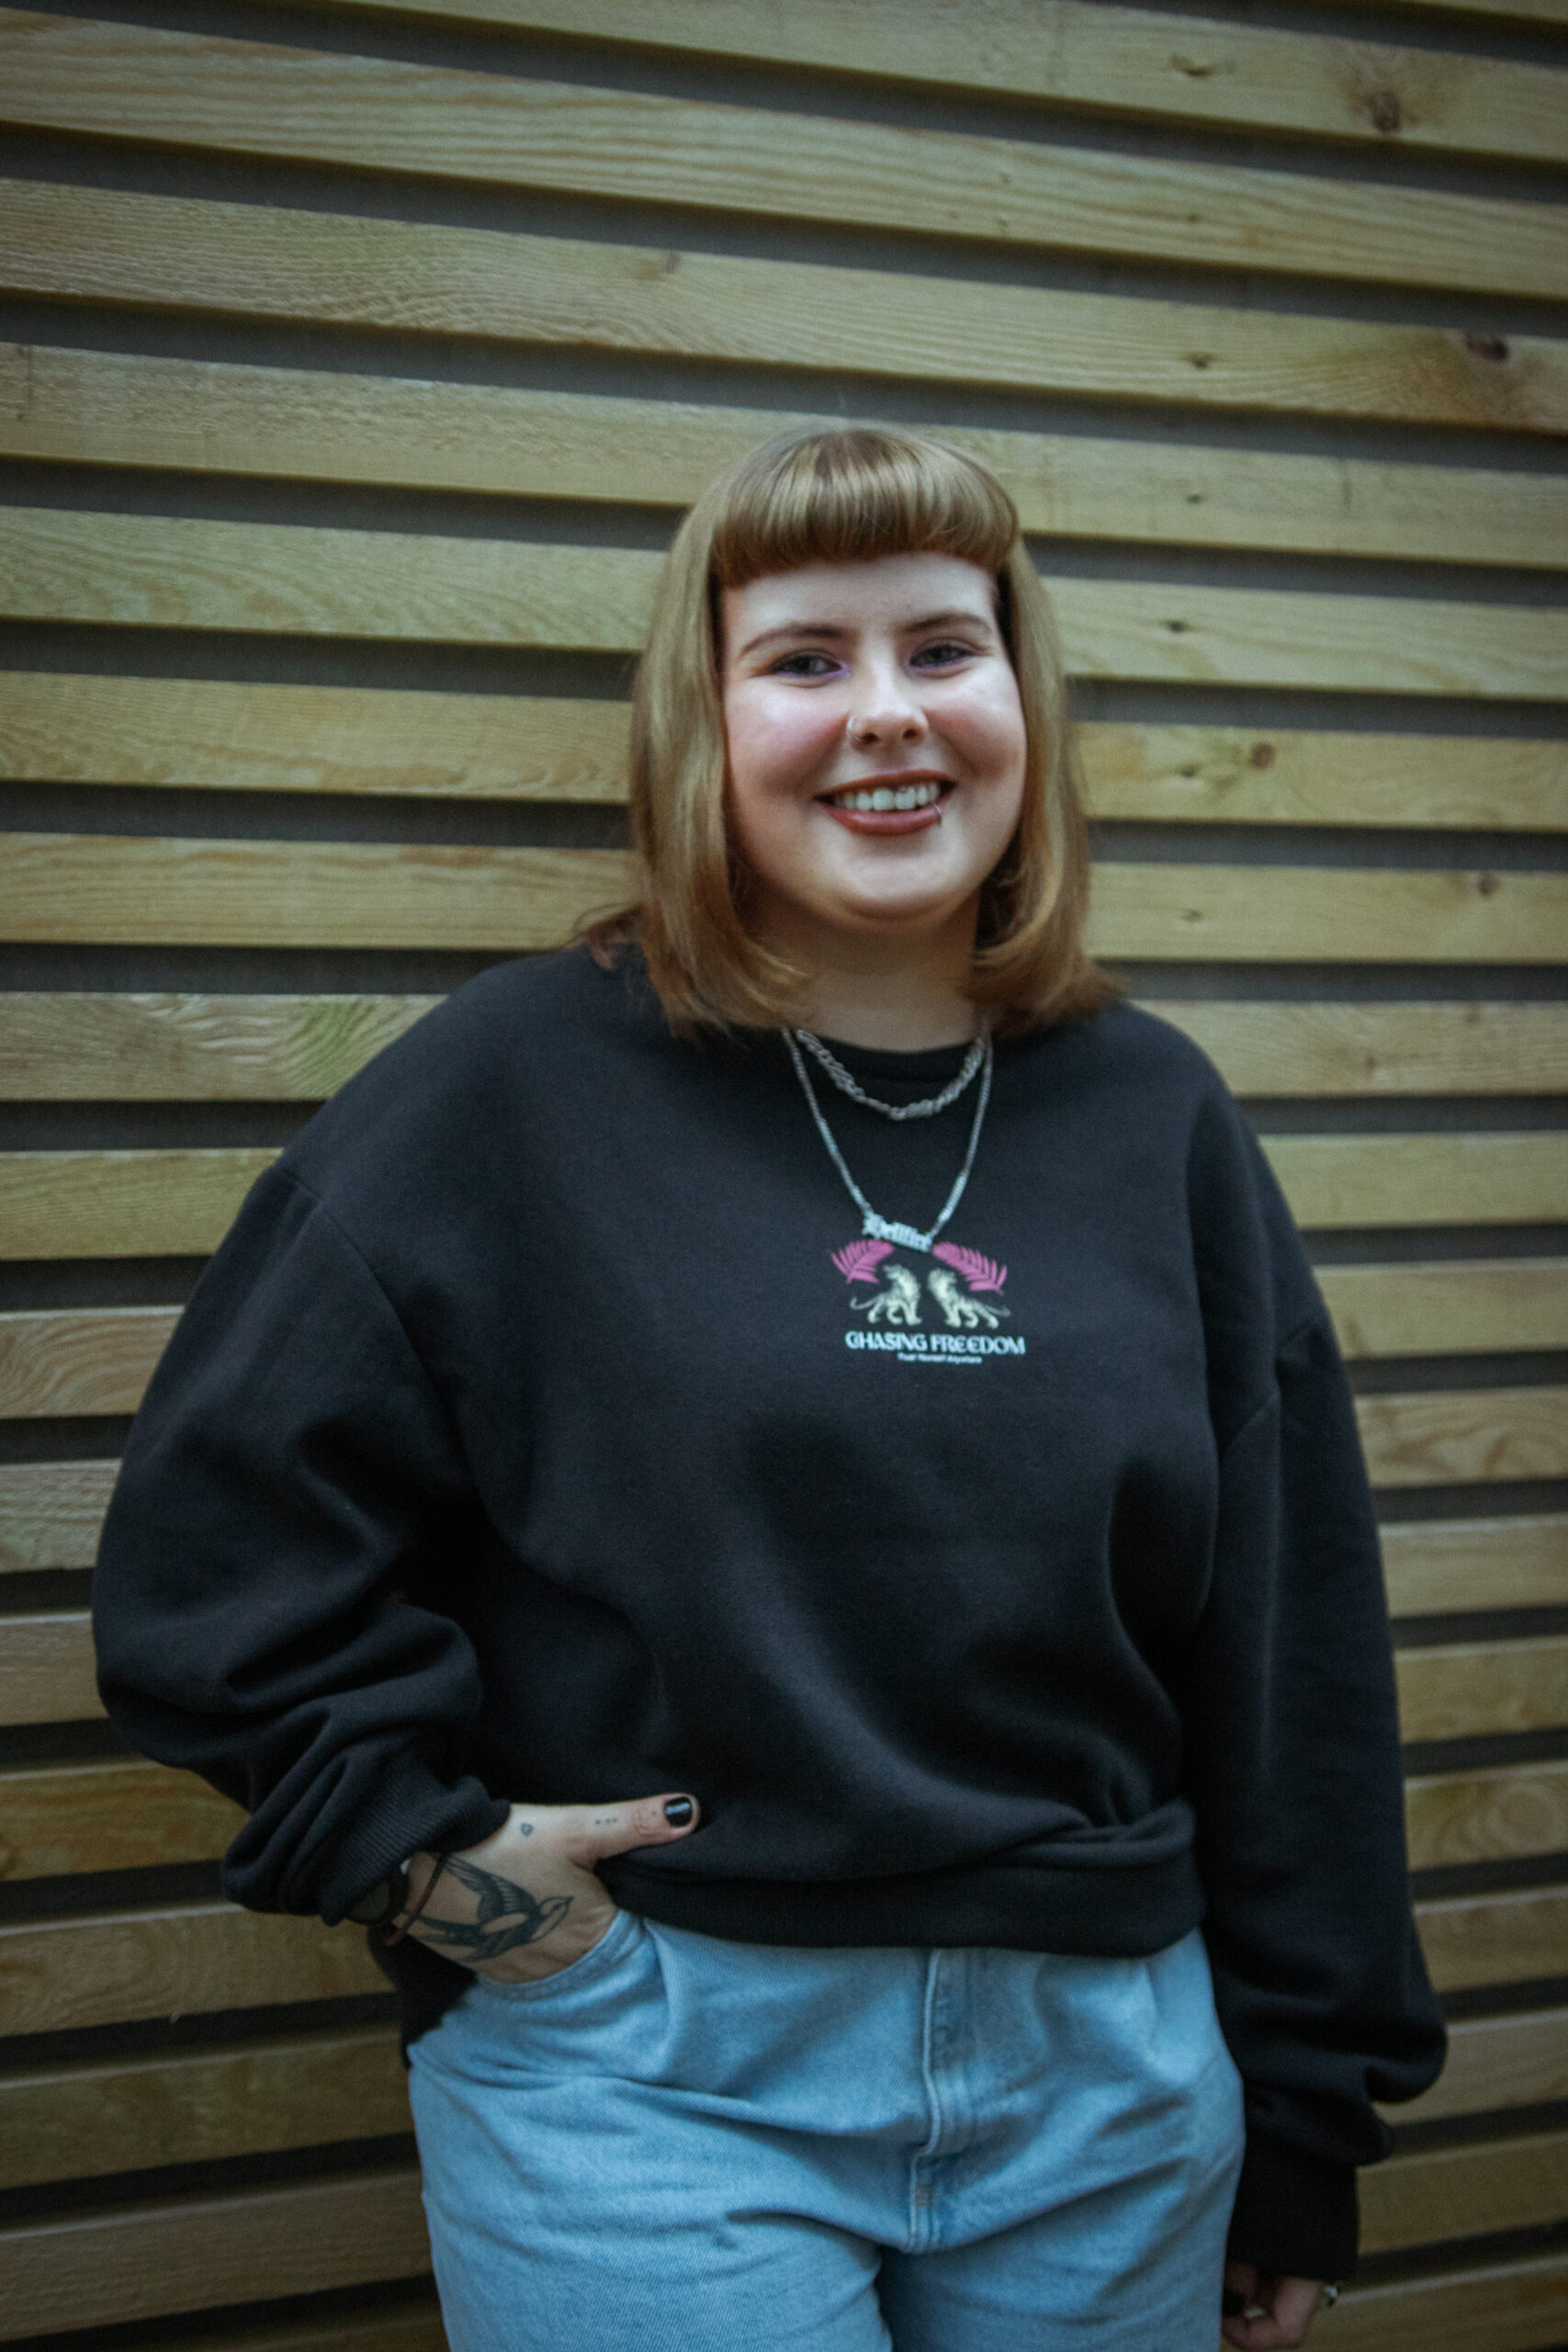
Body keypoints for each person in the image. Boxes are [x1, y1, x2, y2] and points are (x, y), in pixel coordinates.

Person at [93, 427, 1444, 2352]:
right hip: (653, 2070)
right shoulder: (508, 1093)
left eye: (941, 649)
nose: (884, 715)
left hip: (1114, 2092)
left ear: (1019, 701)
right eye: (802, 659)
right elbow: (210, 1567)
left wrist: (1305, 2106)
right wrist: (448, 1877)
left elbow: (1287, 1642)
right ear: (699, 720)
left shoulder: (1158, 1118)